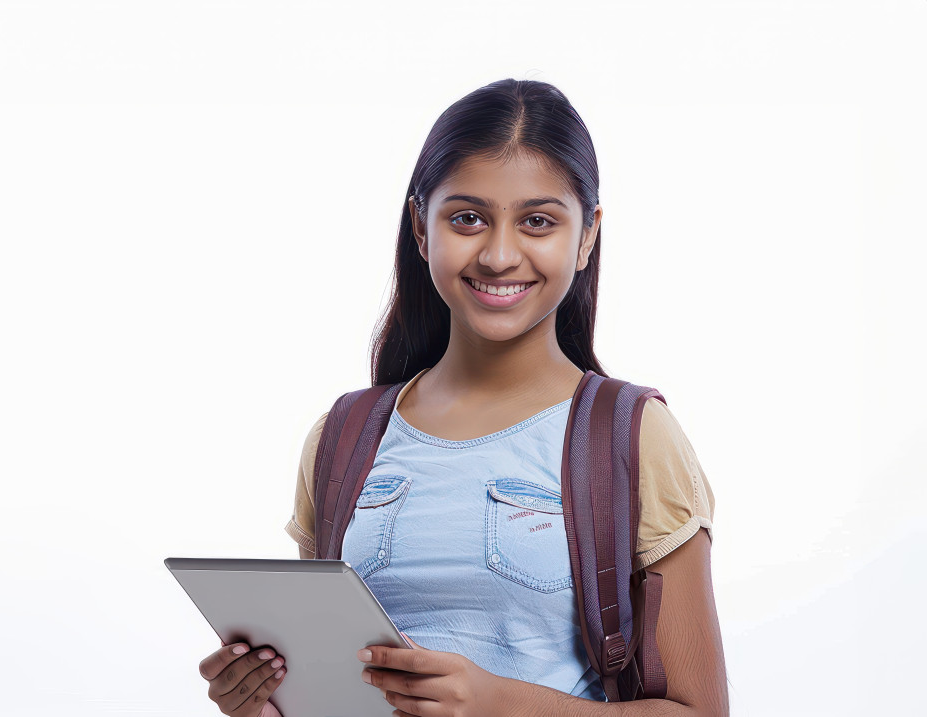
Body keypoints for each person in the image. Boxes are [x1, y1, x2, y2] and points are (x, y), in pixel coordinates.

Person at [196, 78, 729, 717]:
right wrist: (263, 703)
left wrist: (500, 704)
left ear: (586, 236)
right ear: (422, 228)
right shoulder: (341, 440)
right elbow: (330, 697)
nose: (500, 255)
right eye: (468, 218)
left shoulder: (633, 436)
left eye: (538, 221)